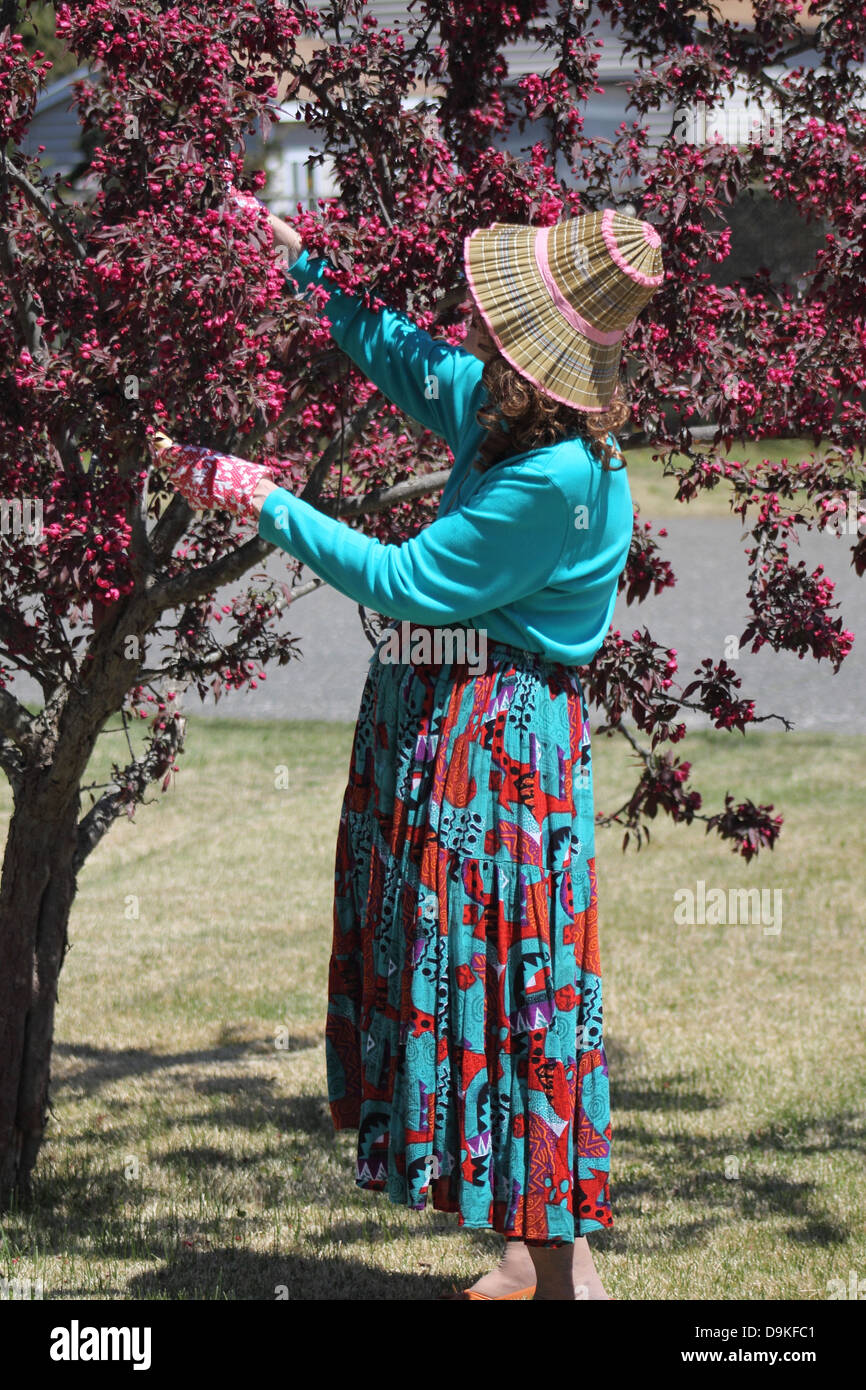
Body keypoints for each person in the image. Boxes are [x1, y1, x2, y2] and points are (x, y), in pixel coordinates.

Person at [151, 199, 664, 1300]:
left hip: (502, 753)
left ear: (535, 349)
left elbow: (404, 581)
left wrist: (262, 498)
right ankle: (539, 1264)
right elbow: (398, 353)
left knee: (510, 984)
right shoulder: (503, 412)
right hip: (454, 729)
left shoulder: (558, 479)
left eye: (495, 322)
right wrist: (307, 268)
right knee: (488, 983)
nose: (474, 332)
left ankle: (564, 1275)